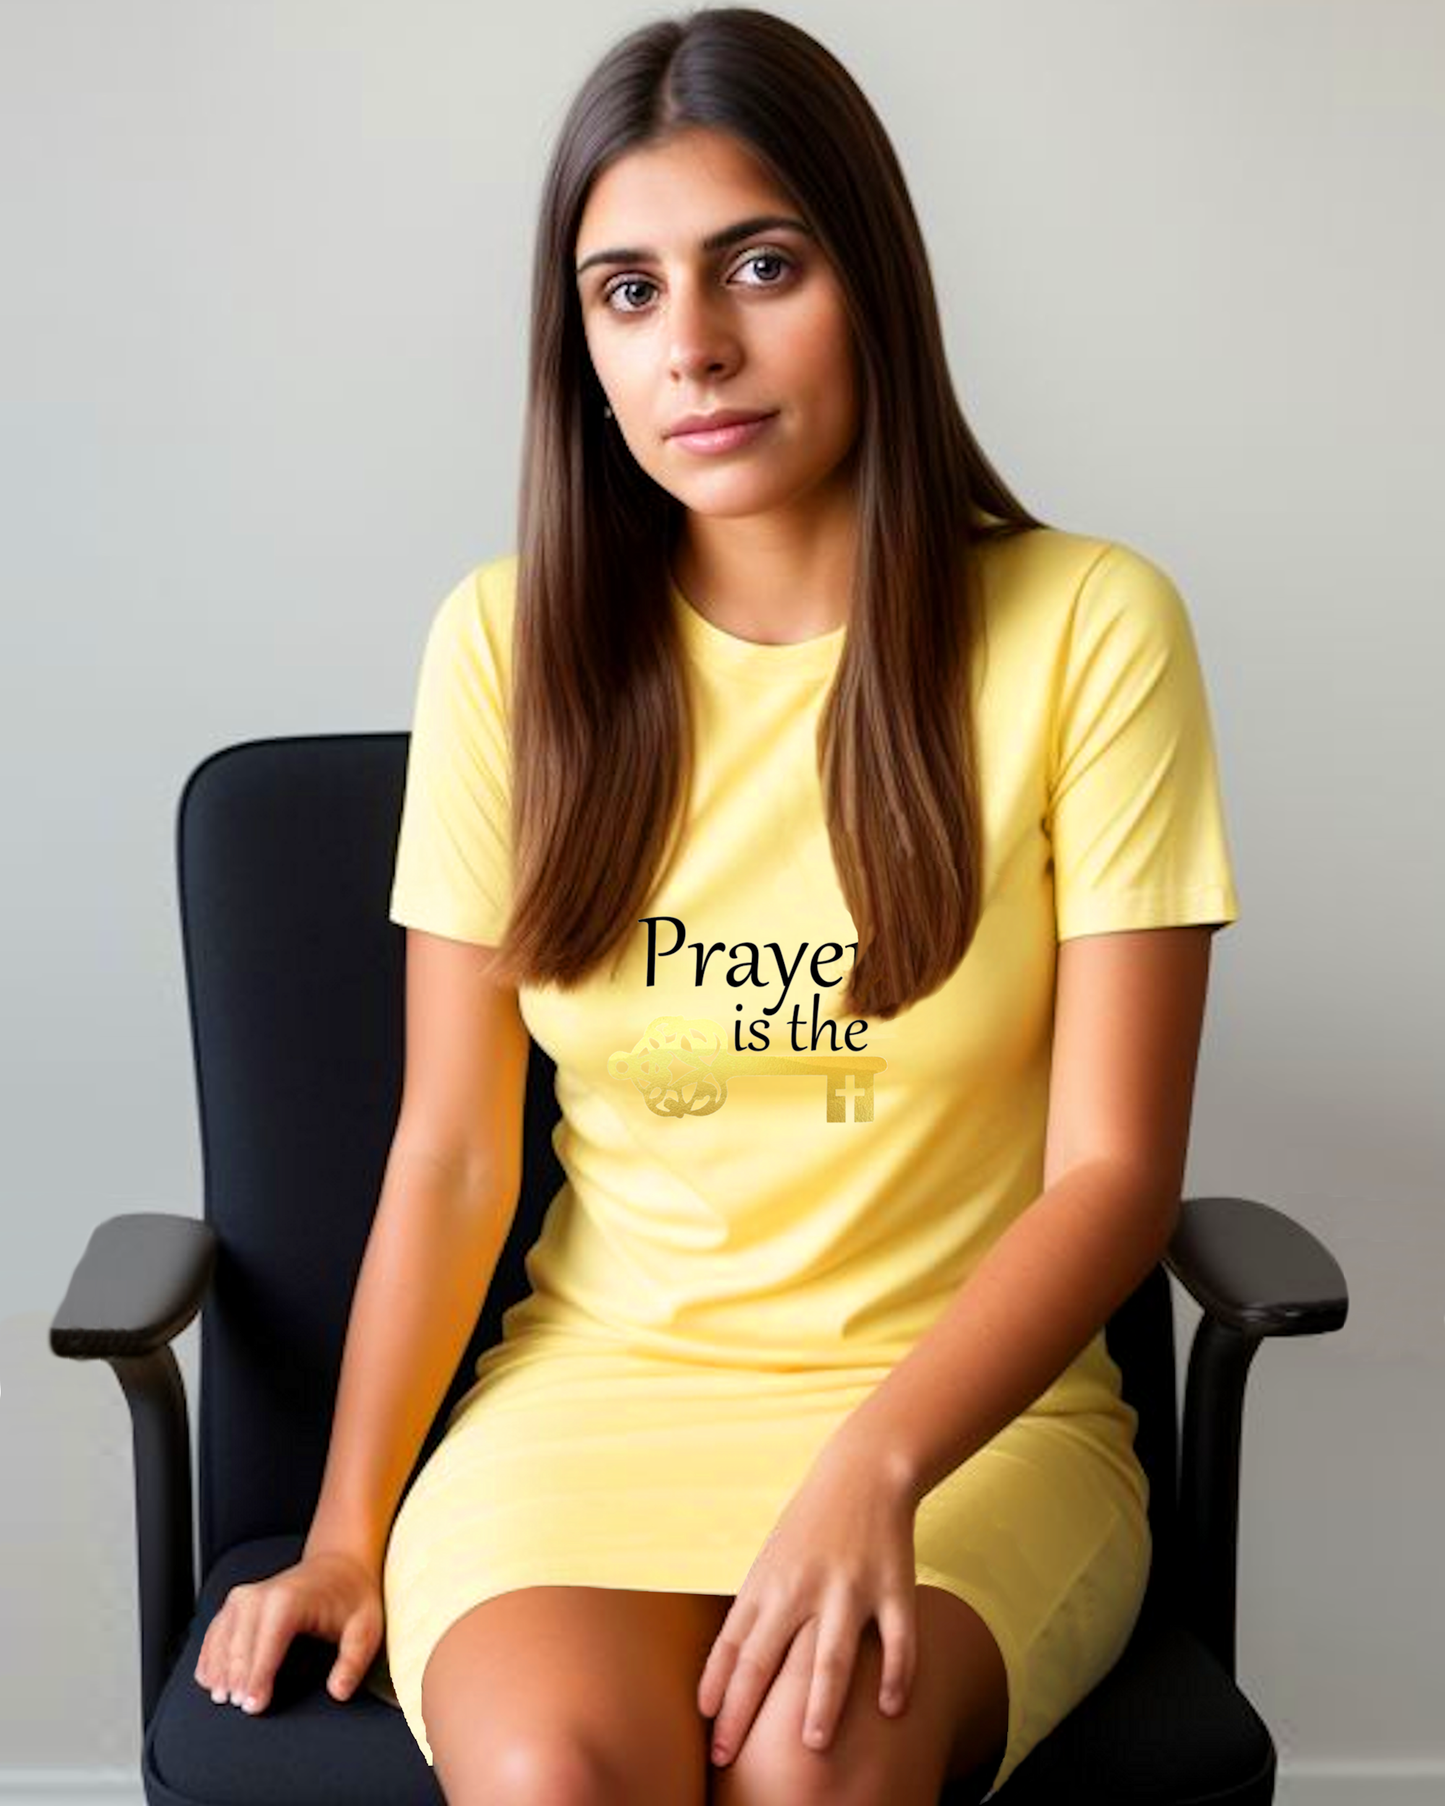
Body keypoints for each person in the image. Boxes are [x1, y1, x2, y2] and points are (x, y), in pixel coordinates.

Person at [194, 8, 1241, 1802]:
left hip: (968, 1425)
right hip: (598, 1399)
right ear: (581, 347)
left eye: (760, 264)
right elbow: (452, 1155)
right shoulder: (504, 649)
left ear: (873, 284)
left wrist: (874, 1465)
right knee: (556, 1778)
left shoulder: (1088, 629)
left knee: (811, 1771)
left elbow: (1113, 1174)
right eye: (626, 291)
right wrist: (348, 1522)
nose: (694, 345)